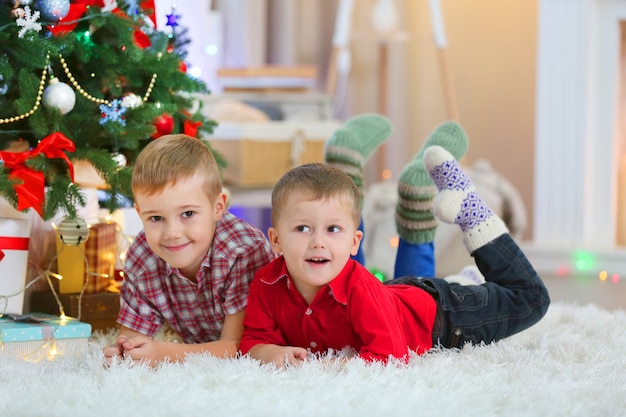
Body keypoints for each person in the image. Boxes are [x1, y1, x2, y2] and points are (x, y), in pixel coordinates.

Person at [239, 144, 550, 367]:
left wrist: (331, 369)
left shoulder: (359, 288)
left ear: (353, 242)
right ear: (276, 240)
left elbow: (390, 357)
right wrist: (267, 353)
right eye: (303, 228)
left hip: (443, 319)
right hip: (398, 298)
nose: (318, 242)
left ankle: (473, 211)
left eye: (333, 229)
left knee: (529, 299)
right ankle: (465, 281)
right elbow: (252, 340)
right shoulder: (267, 284)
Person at [102, 134, 277, 366]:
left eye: (187, 214)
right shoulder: (142, 256)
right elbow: (133, 335)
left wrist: (164, 353)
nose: (172, 233)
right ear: (139, 212)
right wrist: (126, 351)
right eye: (155, 217)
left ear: (218, 207)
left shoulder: (243, 251)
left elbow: (240, 348)